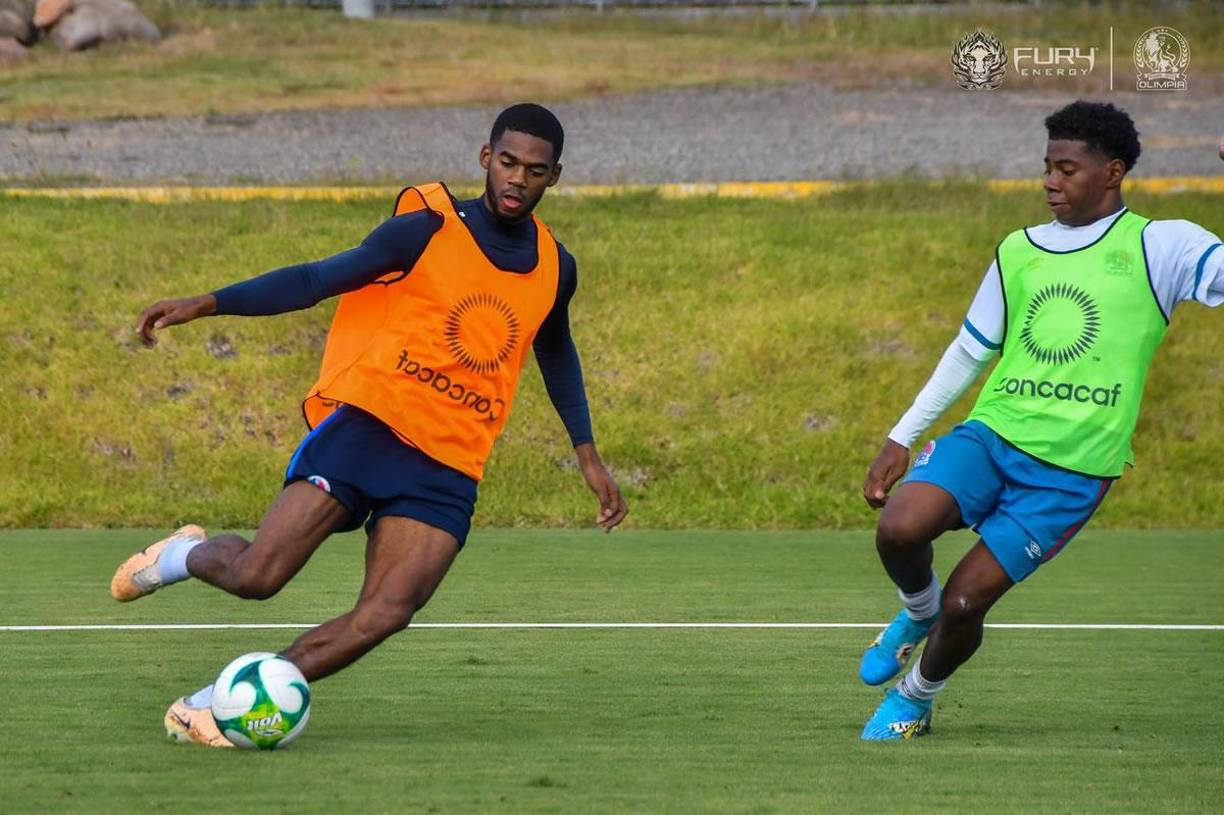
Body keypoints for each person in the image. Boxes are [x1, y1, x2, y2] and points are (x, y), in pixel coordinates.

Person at [110, 103, 628, 747]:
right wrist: (210, 303)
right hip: (371, 431)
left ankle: (222, 703)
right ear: (485, 158)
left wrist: (587, 454)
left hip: (449, 464)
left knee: (387, 612)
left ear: (556, 177)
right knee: (257, 578)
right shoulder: (426, 228)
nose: (517, 180)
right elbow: (316, 279)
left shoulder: (557, 265)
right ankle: (181, 554)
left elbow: (555, 348)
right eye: (507, 162)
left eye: (535, 170)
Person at [857, 100, 1223, 740]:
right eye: (1047, 167)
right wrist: (902, 434)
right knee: (899, 529)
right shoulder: (1018, 250)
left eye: (1067, 168)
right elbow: (970, 348)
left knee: (967, 602)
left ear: (1112, 172)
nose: (1051, 181)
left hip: (1071, 472)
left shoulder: (1163, 244)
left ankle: (915, 697)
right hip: (993, 437)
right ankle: (915, 611)